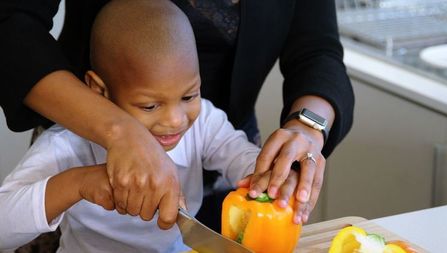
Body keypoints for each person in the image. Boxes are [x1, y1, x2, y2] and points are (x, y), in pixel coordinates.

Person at [0, 0, 354, 239]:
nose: (173, 121)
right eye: (150, 106)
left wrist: (280, 170)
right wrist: (79, 182)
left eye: (189, 96)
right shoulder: (67, 147)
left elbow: (318, 49)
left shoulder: (204, 125)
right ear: (98, 89)